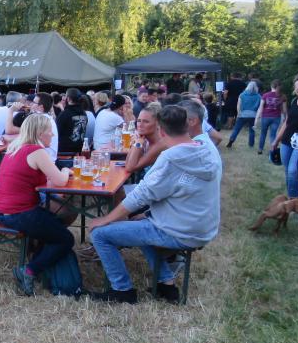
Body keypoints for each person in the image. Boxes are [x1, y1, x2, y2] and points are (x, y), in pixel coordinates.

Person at [88, 105, 221, 304]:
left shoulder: (172, 157)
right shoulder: (206, 149)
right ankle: (166, 285)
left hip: (180, 231)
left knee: (100, 234)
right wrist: (148, 214)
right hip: (202, 228)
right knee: (142, 223)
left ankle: (122, 290)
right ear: (186, 126)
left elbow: (140, 195)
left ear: (161, 130)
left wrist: (105, 219)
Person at [0, 113, 74, 296]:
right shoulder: (36, 151)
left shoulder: (15, 148)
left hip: (1, 210)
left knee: (55, 221)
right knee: (66, 239)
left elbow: (40, 180)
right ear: (39, 132)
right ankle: (29, 271)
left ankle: (37, 257)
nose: (52, 135)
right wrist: (66, 170)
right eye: (49, 131)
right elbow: (60, 181)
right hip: (18, 212)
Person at [124, 103, 165, 175]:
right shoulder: (146, 141)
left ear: (158, 124)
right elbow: (127, 162)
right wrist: (137, 141)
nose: (140, 125)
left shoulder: (160, 144)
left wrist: (138, 143)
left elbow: (129, 168)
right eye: (139, 120)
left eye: (146, 121)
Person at [227, 82, 261, 149]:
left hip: (242, 114)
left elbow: (238, 105)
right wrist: (258, 115)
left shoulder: (242, 94)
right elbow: (260, 107)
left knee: (236, 129)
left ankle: (231, 141)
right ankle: (251, 145)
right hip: (253, 115)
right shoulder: (258, 96)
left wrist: (239, 113)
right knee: (252, 130)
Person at [54, 88, 89, 154]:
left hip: (65, 152)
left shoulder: (64, 114)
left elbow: (56, 132)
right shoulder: (84, 113)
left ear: (68, 99)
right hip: (80, 149)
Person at [256, 80, 285, 155]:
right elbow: (284, 110)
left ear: (271, 86)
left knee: (263, 134)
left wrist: (257, 117)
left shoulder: (265, 95)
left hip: (265, 117)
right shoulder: (282, 96)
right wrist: (284, 117)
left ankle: (260, 150)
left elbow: (260, 108)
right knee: (273, 135)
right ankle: (272, 151)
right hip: (276, 117)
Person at [31, 93, 59, 158]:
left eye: (34, 102)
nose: (31, 104)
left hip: (44, 160)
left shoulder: (40, 119)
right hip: (45, 158)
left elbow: (10, 130)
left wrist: (11, 110)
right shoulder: (46, 117)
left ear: (41, 107)